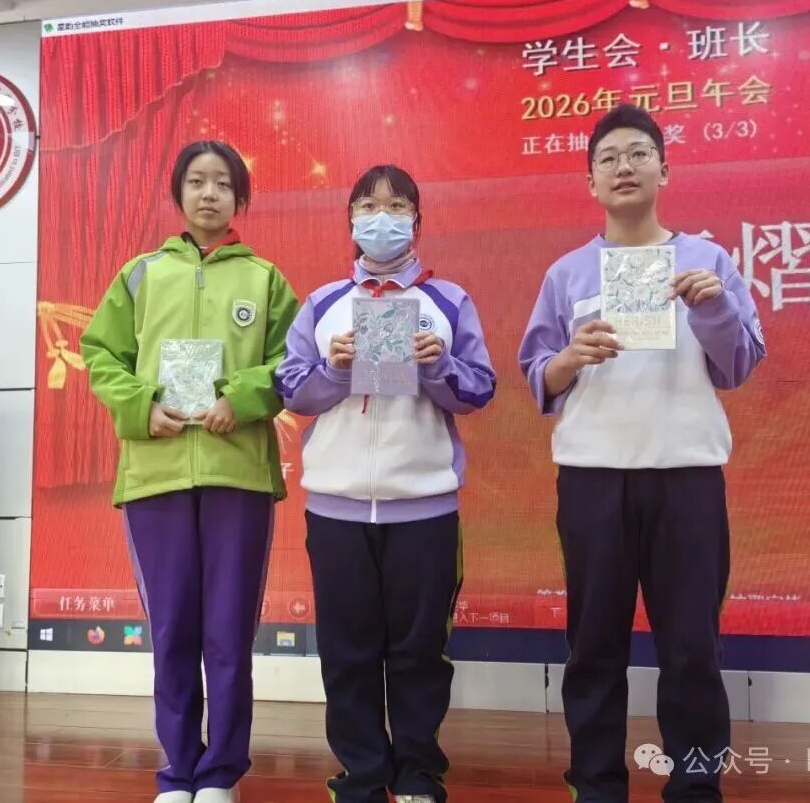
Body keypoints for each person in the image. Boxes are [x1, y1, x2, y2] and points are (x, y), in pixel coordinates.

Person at [518, 104, 766, 803]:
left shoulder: (709, 261)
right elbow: (538, 372)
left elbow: (739, 365)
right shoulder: (567, 273)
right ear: (591, 182)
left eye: (637, 154)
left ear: (664, 170)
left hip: (686, 476)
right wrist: (569, 358)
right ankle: (596, 784)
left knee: (692, 647)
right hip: (592, 479)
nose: (623, 167)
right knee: (593, 646)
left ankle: (695, 784)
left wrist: (713, 308)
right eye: (608, 159)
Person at [81, 140, 299, 803]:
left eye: (223, 183)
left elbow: (292, 362)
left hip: (239, 475)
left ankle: (221, 774)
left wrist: (244, 396)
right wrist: (142, 407)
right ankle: (178, 771)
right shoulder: (140, 275)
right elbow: (100, 355)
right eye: (198, 181)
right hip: (157, 476)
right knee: (172, 630)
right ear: (177, 194)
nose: (210, 193)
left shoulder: (265, 279)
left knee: (228, 632)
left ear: (240, 198)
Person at [275, 164, 496, 803]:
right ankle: (363, 775)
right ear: (350, 220)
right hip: (337, 509)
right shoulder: (322, 304)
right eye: (368, 206)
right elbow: (292, 390)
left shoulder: (447, 301)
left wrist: (438, 365)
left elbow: (478, 390)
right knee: (347, 651)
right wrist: (334, 368)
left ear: (416, 222)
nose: (382, 217)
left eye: (397, 206)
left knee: (420, 652)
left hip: (424, 507)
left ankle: (419, 772)